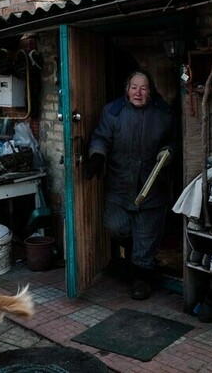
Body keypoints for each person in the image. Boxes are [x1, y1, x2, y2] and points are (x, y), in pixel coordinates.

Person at [84, 69, 178, 300]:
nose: (138, 92)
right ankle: (138, 258)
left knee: (147, 233)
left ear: (150, 91)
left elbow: (175, 141)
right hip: (120, 184)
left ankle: (142, 279)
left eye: (144, 88)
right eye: (134, 87)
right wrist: (97, 155)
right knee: (116, 226)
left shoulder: (163, 114)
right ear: (127, 89)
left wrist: (168, 153)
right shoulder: (112, 112)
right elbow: (100, 137)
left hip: (152, 186)